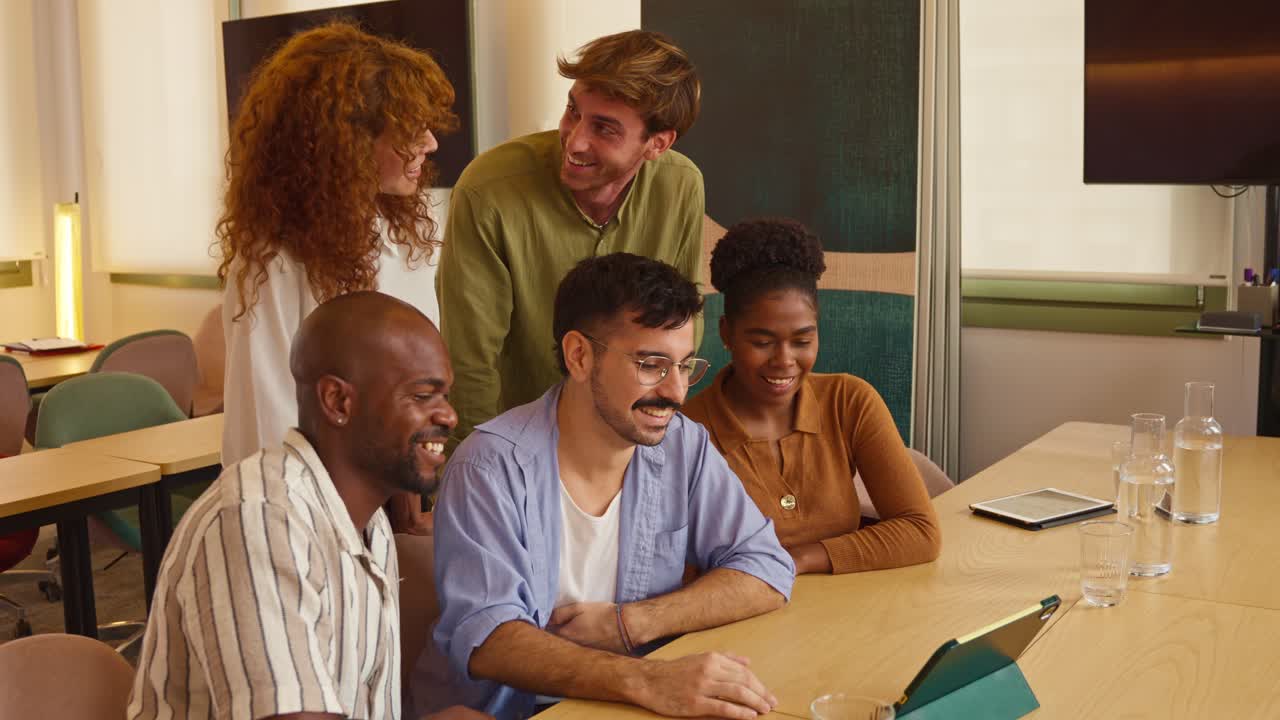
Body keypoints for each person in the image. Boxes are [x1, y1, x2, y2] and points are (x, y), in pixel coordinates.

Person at [424, 253, 794, 720]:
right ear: (580, 355)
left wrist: (631, 623)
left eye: (684, 367)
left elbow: (766, 567)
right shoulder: (487, 466)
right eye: (652, 364)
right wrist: (644, 678)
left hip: (633, 706)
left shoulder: (682, 444)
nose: (677, 393)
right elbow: (489, 638)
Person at [128, 292, 489, 720]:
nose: (448, 416)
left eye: (444, 395)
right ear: (338, 402)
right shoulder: (258, 518)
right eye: (422, 396)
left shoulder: (367, 521)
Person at [438, 30, 705, 449]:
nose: (575, 139)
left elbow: (681, 322)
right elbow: (471, 361)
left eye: (605, 128)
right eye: (573, 111)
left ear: (658, 143)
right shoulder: (488, 190)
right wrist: (478, 469)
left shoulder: (681, 184)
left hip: (627, 439)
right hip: (515, 442)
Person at [218, 21, 458, 477]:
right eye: (412, 129)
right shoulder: (273, 262)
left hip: (392, 484)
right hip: (307, 504)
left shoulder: (404, 237)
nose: (430, 142)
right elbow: (265, 423)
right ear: (352, 142)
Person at [682, 219, 942, 575]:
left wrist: (796, 559)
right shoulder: (687, 433)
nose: (785, 360)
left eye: (802, 341)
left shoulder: (849, 400)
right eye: (762, 342)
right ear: (726, 333)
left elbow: (919, 531)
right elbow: (683, 574)